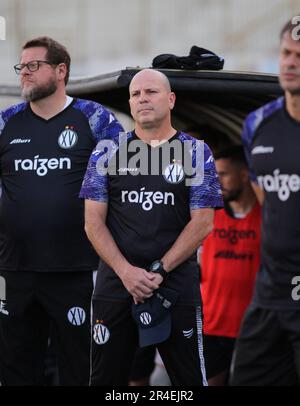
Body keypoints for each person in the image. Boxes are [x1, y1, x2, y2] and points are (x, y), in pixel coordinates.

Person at [80, 68, 223, 386]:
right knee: (105, 381)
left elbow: (203, 222)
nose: (142, 98)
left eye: (151, 92)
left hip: (175, 285)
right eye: (135, 94)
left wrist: (160, 269)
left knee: (188, 382)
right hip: (117, 286)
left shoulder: (196, 153)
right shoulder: (107, 151)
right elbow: (93, 222)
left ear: (171, 99)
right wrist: (127, 272)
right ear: (130, 104)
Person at [0, 36, 123, 385]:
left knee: (80, 368)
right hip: (13, 271)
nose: (24, 73)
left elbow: (121, 185)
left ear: (61, 70)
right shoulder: (6, 122)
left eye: (33, 66)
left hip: (76, 270)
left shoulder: (96, 119)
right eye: (21, 67)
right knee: (15, 369)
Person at [231, 16, 300, 386]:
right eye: (286, 53)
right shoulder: (256, 125)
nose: (290, 62)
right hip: (271, 294)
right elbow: (268, 203)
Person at [200, 145, 261, 386]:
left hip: (253, 328)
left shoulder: (267, 215)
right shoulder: (207, 215)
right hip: (211, 325)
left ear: (245, 175)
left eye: (223, 174)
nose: (217, 181)